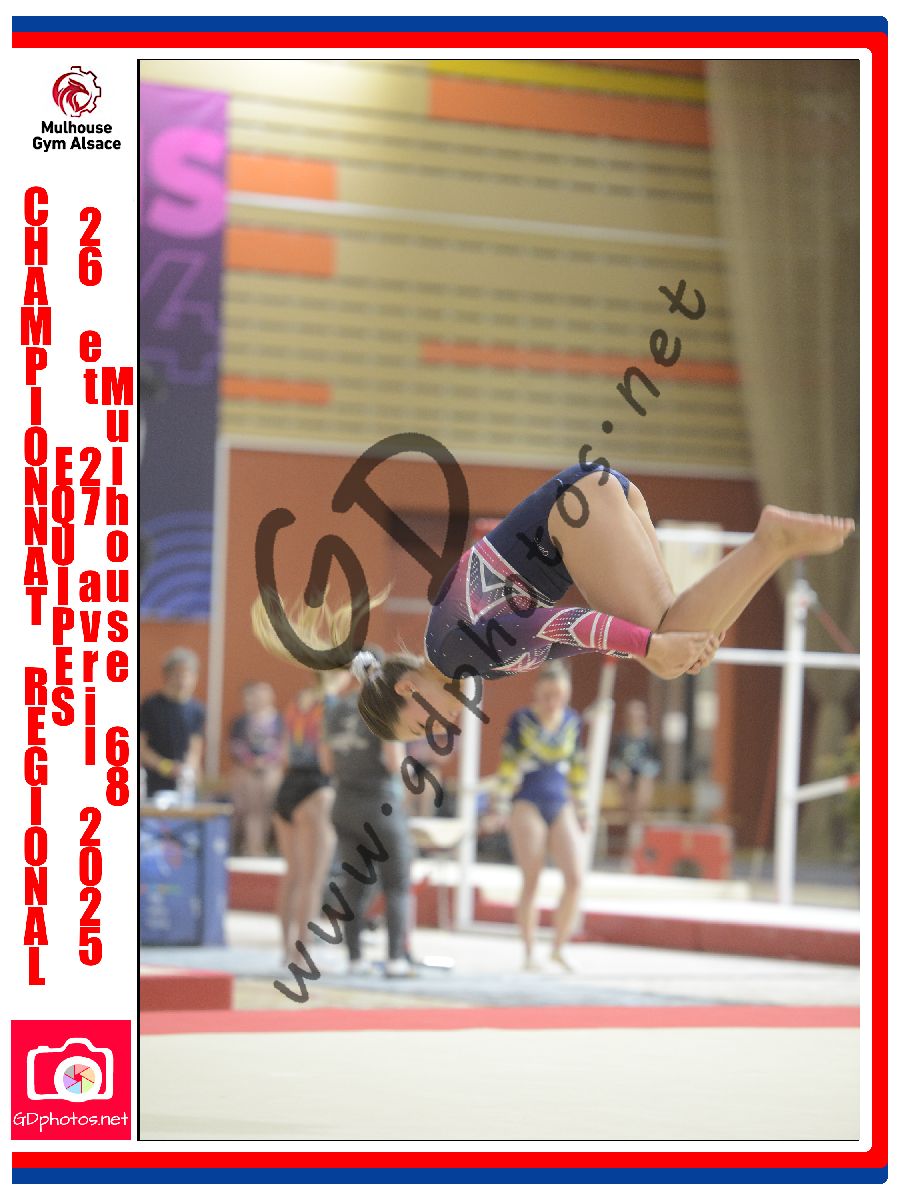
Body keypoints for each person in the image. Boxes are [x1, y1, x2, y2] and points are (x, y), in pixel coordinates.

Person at [252, 460, 854, 746]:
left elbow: (560, 620)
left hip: (576, 514)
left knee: (663, 644)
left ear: (410, 689)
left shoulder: (456, 650)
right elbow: (564, 633)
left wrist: (650, 646)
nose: (443, 730)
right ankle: (775, 546)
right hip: (589, 505)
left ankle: (773, 540)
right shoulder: (463, 658)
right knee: (679, 639)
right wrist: (663, 647)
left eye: (422, 725)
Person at [319, 650, 414, 978]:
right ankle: (396, 959)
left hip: (344, 804)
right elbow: (393, 760)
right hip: (379, 804)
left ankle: (355, 958)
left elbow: (326, 764)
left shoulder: (335, 709)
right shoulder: (384, 709)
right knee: (396, 883)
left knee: (353, 884)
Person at [490, 661, 587, 971]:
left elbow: (578, 766)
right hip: (528, 801)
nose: (552, 702)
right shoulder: (522, 719)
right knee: (532, 878)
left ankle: (559, 946)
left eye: (559, 696)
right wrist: (500, 804)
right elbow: (508, 764)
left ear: (567, 695)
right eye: (547, 696)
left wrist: (582, 807)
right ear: (536, 693)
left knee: (575, 877)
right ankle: (529, 950)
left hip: (560, 801)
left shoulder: (572, 721)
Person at [273, 675, 341, 961]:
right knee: (313, 879)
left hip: (288, 786)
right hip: (315, 788)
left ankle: (285, 948)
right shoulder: (330, 704)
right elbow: (326, 757)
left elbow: (285, 753)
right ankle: (303, 951)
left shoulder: (298, 702)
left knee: (293, 874)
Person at [228, 682, 285, 858]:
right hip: (247, 771)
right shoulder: (241, 721)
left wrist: (266, 762)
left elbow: (283, 746)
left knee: (266, 809)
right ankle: (250, 845)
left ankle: (261, 846)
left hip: (271, 771)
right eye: (255, 695)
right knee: (250, 809)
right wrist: (251, 761)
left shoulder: (279, 721)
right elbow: (236, 746)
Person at [139, 647, 205, 798]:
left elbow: (195, 749)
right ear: (167, 675)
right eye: (178, 675)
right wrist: (166, 767)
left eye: (189, 675)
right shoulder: (150, 706)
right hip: (154, 781)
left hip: (184, 782)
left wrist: (188, 770)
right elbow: (141, 747)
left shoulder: (197, 709)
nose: (183, 680)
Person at [609, 699, 662, 854]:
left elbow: (656, 762)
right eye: (631, 716)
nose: (635, 719)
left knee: (643, 783)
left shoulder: (649, 738)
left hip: (643, 780)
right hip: (626, 783)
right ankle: (635, 838)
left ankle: (634, 836)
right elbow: (614, 760)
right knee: (624, 779)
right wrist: (620, 770)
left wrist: (645, 772)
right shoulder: (621, 738)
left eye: (638, 716)